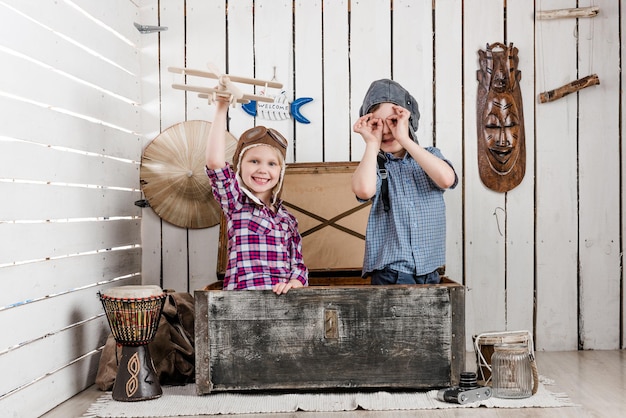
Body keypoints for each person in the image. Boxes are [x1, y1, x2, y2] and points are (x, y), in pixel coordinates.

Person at [351, 79, 458, 285]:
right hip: (391, 272)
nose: (386, 131)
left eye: (393, 121)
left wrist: (405, 138)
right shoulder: (373, 164)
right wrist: (372, 143)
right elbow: (364, 190)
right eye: (377, 123)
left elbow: (446, 179)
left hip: (429, 270)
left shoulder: (429, 156)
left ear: (408, 120)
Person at [205, 92, 308, 294]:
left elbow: (298, 267)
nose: (262, 170)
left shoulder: (288, 219)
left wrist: (294, 285)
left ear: (280, 171)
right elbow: (215, 163)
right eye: (254, 161)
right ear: (239, 167)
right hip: (242, 302)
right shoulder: (236, 203)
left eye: (271, 164)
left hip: (282, 303)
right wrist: (221, 108)